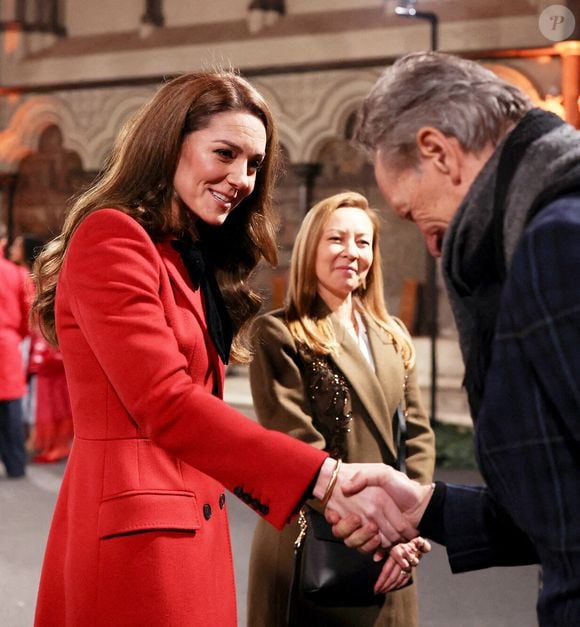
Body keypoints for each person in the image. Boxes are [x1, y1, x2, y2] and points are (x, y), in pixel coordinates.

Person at [31, 69, 417, 627]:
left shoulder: (183, 253)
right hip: (136, 545)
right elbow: (165, 402)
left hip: (188, 532)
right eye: (225, 153)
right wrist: (324, 479)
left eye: (254, 164)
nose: (241, 178)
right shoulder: (111, 236)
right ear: (170, 145)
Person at [328, 51, 580, 626]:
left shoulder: (559, 243)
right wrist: (430, 507)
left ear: (438, 151)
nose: (433, 245)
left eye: (412, 214)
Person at [247, 190, 435, 626]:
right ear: (312, 246)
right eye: (337, 239)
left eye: (363, 242)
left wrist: (412, 523)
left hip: (392, 549)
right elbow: (297, 445)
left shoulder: (393, 334)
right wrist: (386, 531)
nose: (352, 253)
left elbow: (419, 438)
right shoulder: (280, 335)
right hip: (319, 541)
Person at [0, 225, 30, 479]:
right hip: (6, 343)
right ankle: (15, 463)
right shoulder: (16, 273)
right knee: (11, 405)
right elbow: (27, 312)